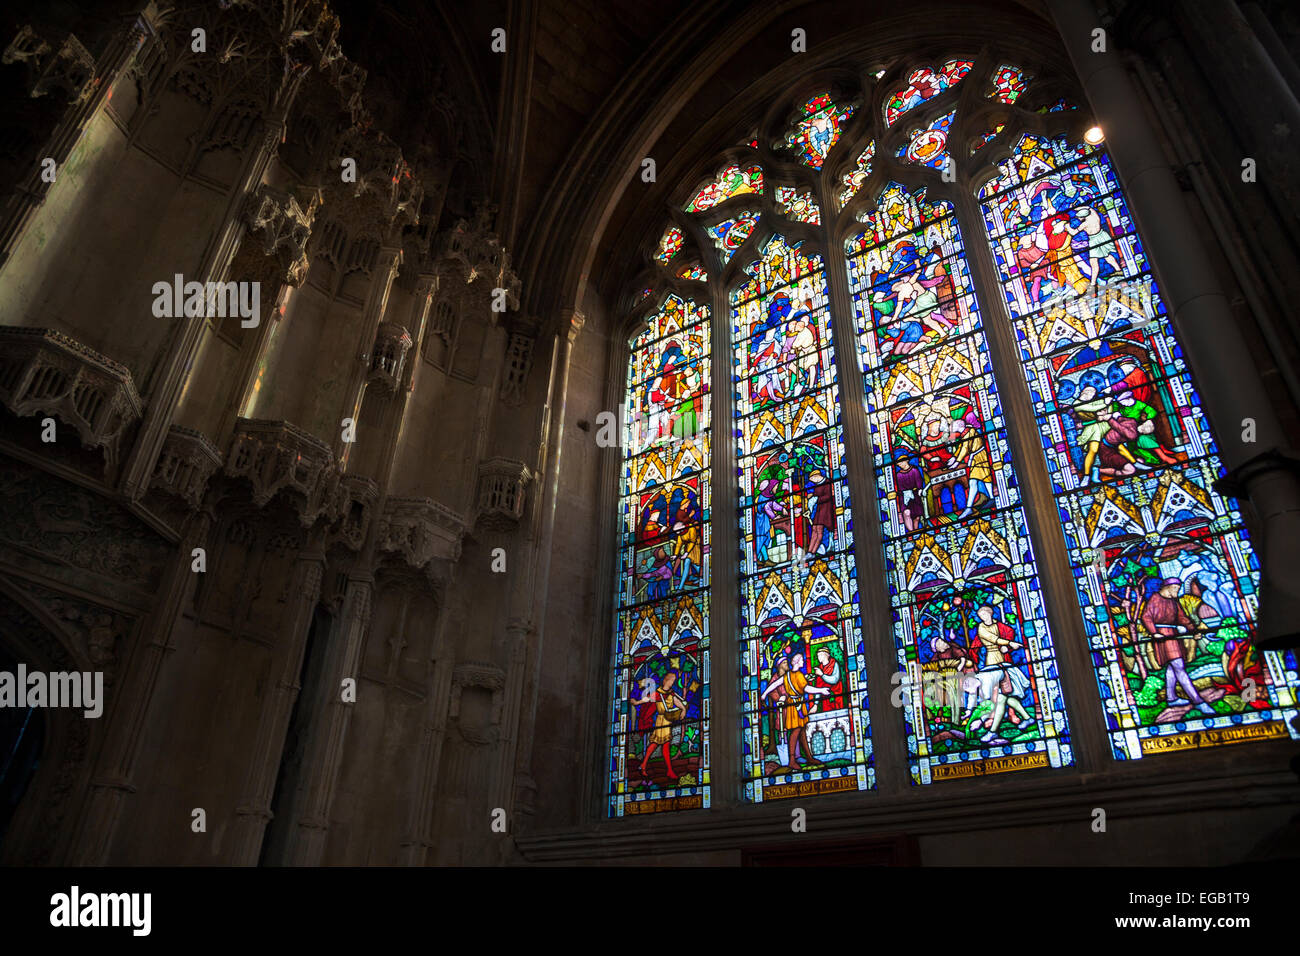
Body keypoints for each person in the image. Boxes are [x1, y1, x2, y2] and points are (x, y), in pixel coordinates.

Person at [1139, 578, 1214, 716]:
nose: (1178, 591)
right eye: (1176, 589)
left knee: (1172, 668)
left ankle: (1171, 698)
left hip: (1173, 635)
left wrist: (1194, 631)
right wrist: (1154, 633)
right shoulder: (1155, 599)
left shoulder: (1174, 602)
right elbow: (1146, 617)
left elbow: (1182, 618)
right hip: (1163, 637)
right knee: (1179, 666)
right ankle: (1198, 701)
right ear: (1169, 587)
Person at [971, 605, 1033, 741]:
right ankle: (1027, 718)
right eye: (981, 616)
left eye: (985, 615)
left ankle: (994, 731)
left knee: (1003, 696)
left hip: (1003, 661)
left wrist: (1008, 646)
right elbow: (993, 639)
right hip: (992, 661)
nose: (983, 618)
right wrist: (1010, 643)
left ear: (990, 614)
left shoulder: (999, 626)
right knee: (1002, 696)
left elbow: (1006, 634)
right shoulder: (981, 628)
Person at [762, 654, 831, 771]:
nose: (803, 662)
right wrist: (821, 690)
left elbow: (774, 684)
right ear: (797, 662)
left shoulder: (788, 675)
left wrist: (764, 694)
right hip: (796, 706)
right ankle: (792, 760)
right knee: (796, 732)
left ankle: (809, 757)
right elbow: (806, 689)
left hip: (794, 705)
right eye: (802, 660)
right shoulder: (798, 675)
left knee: (802, 731)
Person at [638, 671, 687, 781]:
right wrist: (637, 703)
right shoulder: (658, 693)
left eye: (673, 681)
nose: (672, 683)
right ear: (666, 680)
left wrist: (683, 709)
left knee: (655, 744)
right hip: (661, 721)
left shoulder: (671, 693)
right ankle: (669, 770)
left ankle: (644, 764)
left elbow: (678, 702)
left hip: (667, 722)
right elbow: (647, 699)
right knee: (664, 745)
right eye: (671, 681)